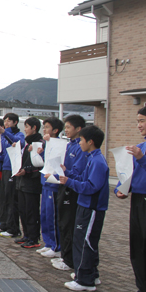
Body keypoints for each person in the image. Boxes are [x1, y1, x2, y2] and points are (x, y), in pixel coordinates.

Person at [60, 125, 109, 292]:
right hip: (86, 205)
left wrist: (69, 182)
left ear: (90, 142)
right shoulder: (92, 158)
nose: (79, 143)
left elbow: (91, 187)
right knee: (87, 241)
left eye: (81, 140)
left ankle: (84, 280)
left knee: (84, 242)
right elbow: (82, 177)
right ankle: (91, 274)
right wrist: (68, 174)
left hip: (91, 207)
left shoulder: (97, 161)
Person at [116, 106, 146, 292]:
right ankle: (143, 290)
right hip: (138, 199)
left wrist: (141, 157)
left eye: (142, 120)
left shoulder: (141, 151)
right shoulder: (141, 146)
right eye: (137, 121)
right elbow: (130, 175)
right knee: (137, 245)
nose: (139, 125)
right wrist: (122, 190)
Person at [52, 114, 87, 271]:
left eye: (68, 127)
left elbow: (76, 171)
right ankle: (65, 256)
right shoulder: (70, 145)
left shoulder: (81, 147)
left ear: (78, 129)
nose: (65, 130)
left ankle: (69, 260)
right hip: (63, 184)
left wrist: (66, 173)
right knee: (63, 222)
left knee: (68, 223)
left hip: (71, 188)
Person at [0, 113, 25, 239]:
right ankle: (4, 223)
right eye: (5, 120)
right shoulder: (4, 136)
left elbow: (19, 143)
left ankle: (13, 228)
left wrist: (4, 132)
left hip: (13, 169)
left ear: (15, 122)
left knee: (11, 199)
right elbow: (6, 152)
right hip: (5, 168)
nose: (6, 123)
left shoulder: (17, 134)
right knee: (4, 197)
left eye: (9, 121)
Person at [14, 117, 43, 248]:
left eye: (26, 127)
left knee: (31, 211)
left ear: (34, 128)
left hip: (32, 184)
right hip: (22, 182)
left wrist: (26, 171)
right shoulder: (27, 143)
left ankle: (33, 238)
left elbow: (39, 165)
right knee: (23, 210)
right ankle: (26, 235)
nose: (25, 129)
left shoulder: (39, 143)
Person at [37, 117, 64, 258]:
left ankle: (56, 246)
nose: (44, 130)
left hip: (53, 184)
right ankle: (48, 243)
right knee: (45, 215)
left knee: (53, 216)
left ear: (55, 130)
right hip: (45, 183)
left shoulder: (59, 144)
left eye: (47, 127)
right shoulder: (47, 144)